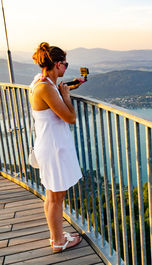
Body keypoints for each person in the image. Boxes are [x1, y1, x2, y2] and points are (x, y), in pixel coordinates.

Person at [29, 42, 84, 253]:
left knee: (53, 196)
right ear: (58, 65)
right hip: (53, 149)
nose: (66, 68)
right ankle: (59, 242)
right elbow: (70, 118)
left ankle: (57, 237)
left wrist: (65, 88)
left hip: (49, 146)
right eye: (65, 64)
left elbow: (52, 96)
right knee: (55, 198)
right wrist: (67, 97)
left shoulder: (40, 82)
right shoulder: (45, 87)